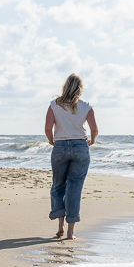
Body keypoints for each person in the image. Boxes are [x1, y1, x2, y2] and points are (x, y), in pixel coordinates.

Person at [45, 73, 98, 240]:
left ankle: (60, 225)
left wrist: (52, 141)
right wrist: (92, 140)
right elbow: (94, 129)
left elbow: (47, 128)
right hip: (80, 147)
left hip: (60, 146)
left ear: (65, 86)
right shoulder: (86, 106)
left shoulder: (54, 104)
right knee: (74, 188)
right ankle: (70, 232)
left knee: (58, 186)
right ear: (80, 89)